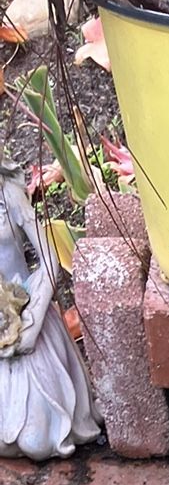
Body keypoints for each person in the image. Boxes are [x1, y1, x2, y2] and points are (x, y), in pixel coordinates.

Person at [0, 160, 100, 460]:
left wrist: (33, 317)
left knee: (36, 439)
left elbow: (49, 259)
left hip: (26, 307)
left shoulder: (10, 197)